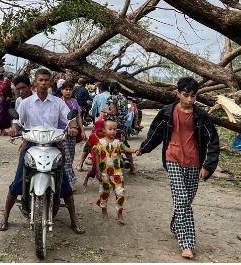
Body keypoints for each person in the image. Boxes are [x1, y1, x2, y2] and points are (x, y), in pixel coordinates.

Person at [139, 76, 221, 260]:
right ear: (178, 94)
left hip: (193, 162)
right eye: (186, 95)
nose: (190, 99)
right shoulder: (167, 112)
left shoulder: (201, 116)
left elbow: (212, 142)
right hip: (173, 158)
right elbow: (156, 132)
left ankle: (176, 225)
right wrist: (144, 149)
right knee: (182, 200)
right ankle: (187, 243)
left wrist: (208, 166)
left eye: (193, 96)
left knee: (185, 201)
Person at [0, 70, 84, 234]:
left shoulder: (58, 103)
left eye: (46, 80)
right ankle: (5, 216)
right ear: (35, 83)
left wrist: (73, 127)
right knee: (18, 180)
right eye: (40, 80)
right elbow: (17, 121)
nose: (43, 83)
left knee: (64, 181)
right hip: (31, 144)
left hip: (54, 143)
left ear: (51, 82)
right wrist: (14, 129)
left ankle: (74, 220)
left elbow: (70, 118)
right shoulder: (26, 103)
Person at [93, 119, 138, 223]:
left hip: (116, 173)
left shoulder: (118, 143)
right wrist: (98, 171)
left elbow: (126, 149)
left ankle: (120, 213)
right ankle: (104, 208)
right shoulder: (100, 142)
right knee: (104, 192)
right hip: (104, 173)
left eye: (115, 129)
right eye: (110, 129)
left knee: (120, 193)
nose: (113, 131)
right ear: (104, 130)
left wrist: (135, 150)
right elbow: (96, 157)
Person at [60, 81, 81, 192]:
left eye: (70, 89)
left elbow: (78, 116)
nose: (68, 92)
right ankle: (70, 182)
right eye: (66, 89)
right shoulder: (58, 102)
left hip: (73, 133)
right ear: (61, 90)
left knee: (70, 157)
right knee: (66, 158)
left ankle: (66, 179)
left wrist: (81, 130)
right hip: (61, 133)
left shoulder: (74, 102)